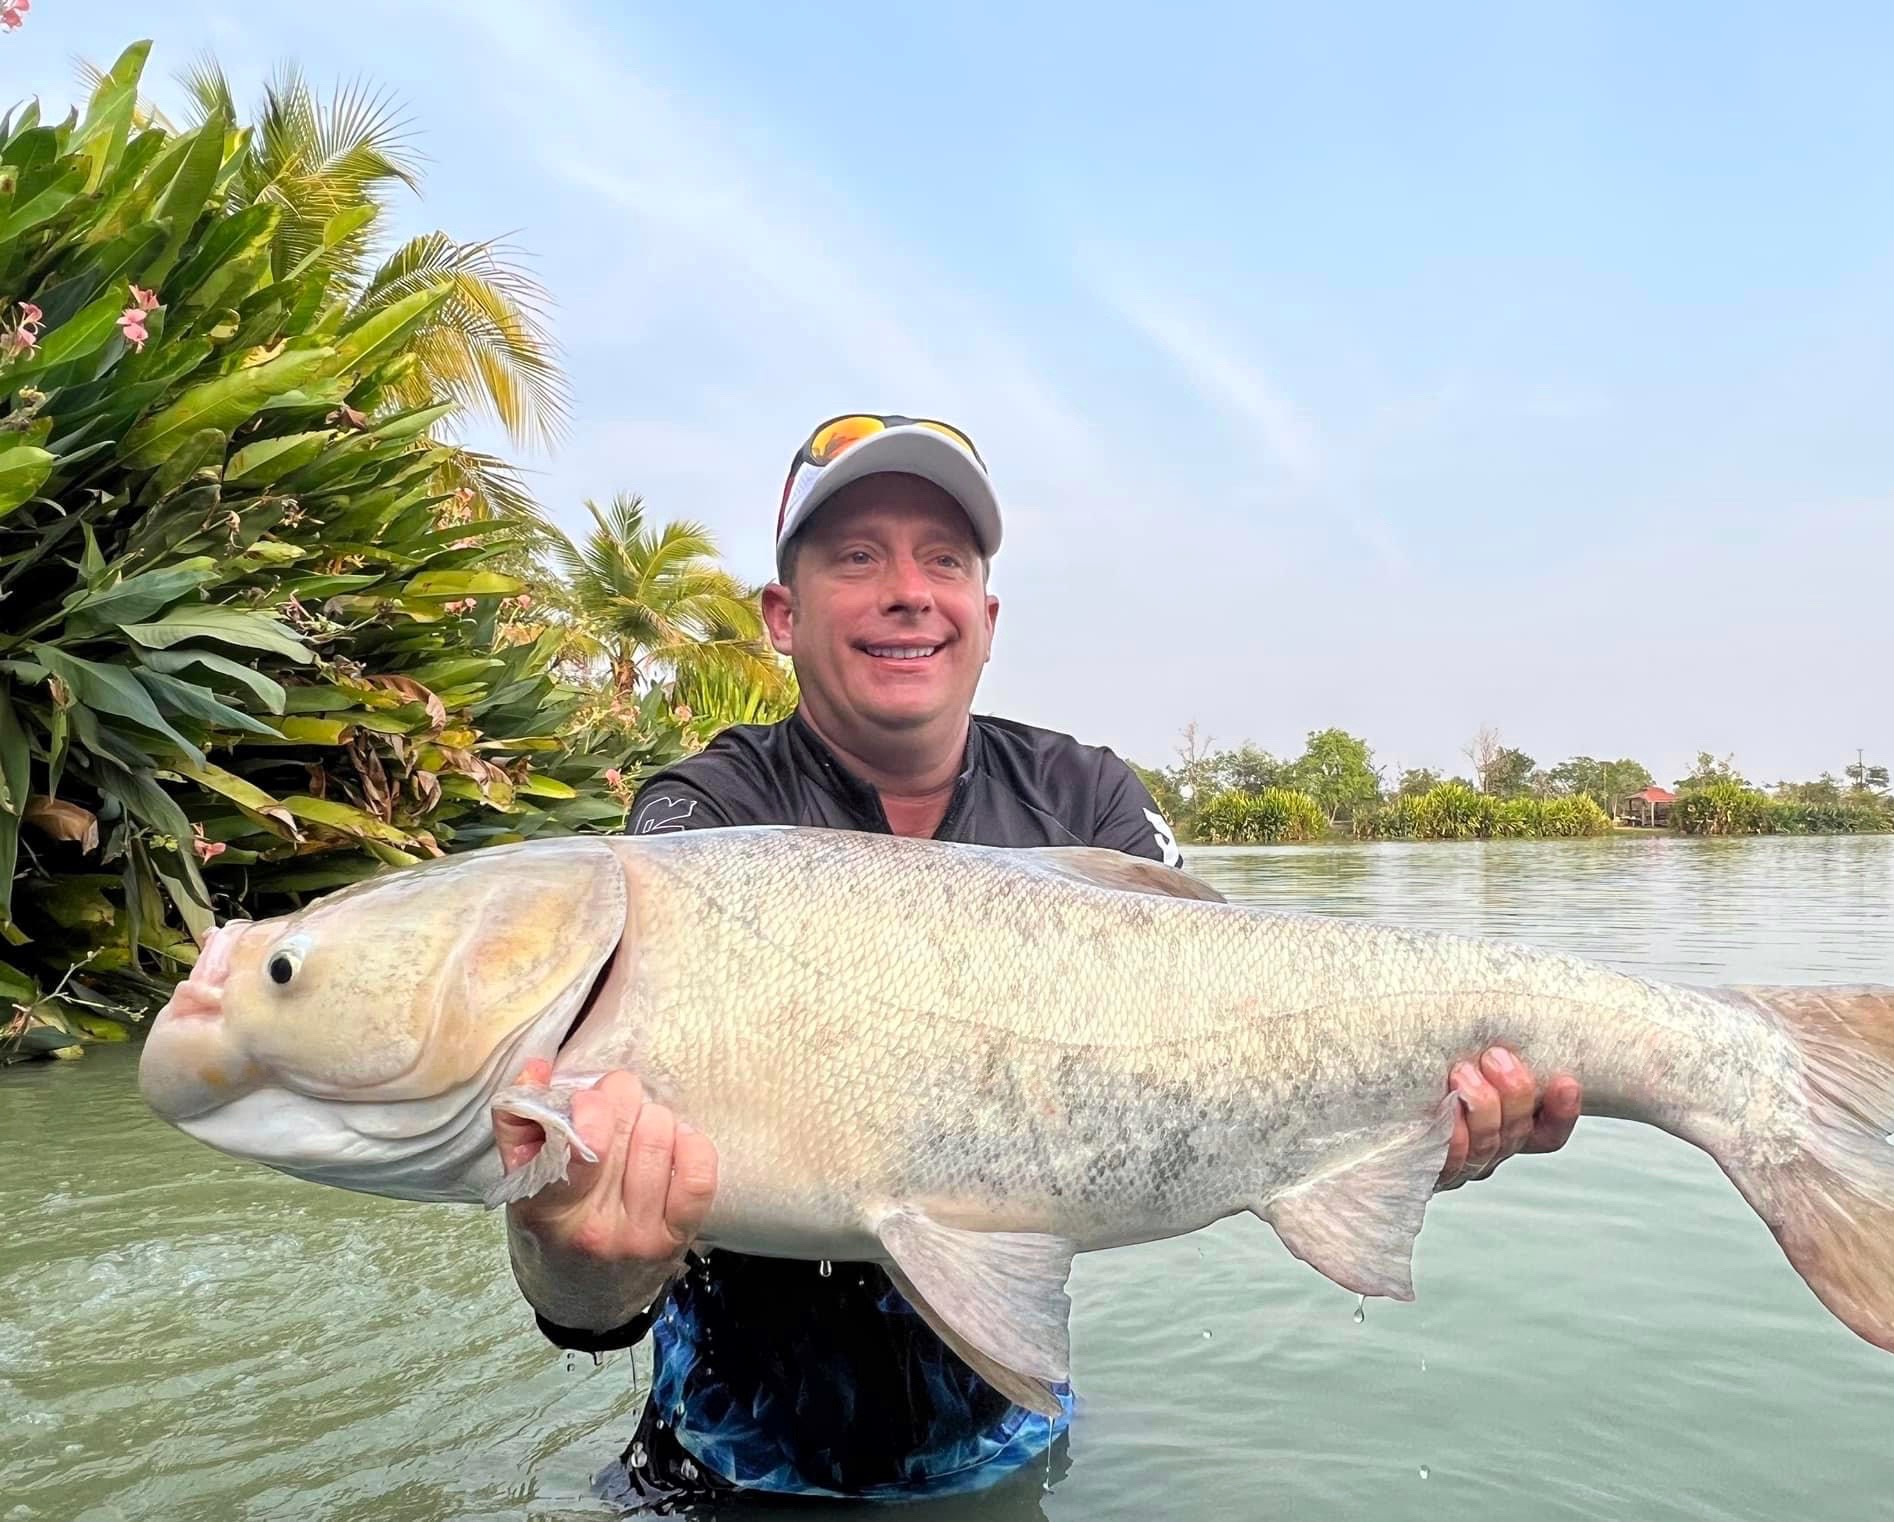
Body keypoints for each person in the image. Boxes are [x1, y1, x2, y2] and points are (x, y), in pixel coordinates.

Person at [492, 413, 1583, 1507]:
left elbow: (1238, 1053)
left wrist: (1395, 1127)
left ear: (986, 614)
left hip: (1011, 1444)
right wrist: (570, 1252)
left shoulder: (1090, 800)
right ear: (782, 614)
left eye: (945, 558)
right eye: (856, 555)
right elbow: (588, 1297)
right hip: (729, 1459)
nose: (908, 589)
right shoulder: (698, 825)